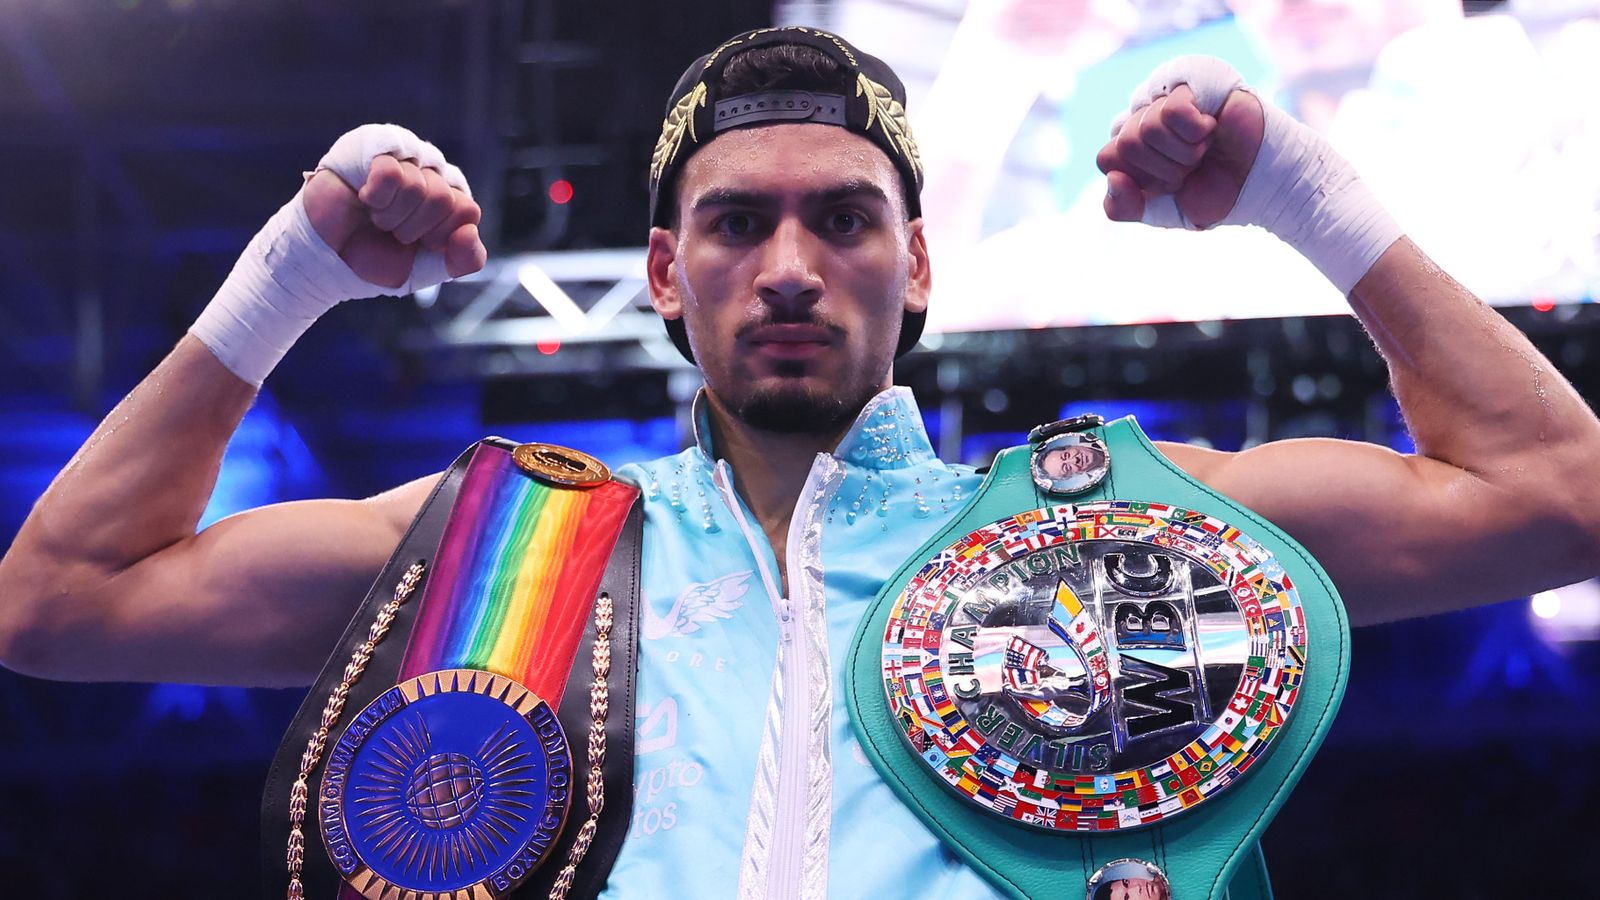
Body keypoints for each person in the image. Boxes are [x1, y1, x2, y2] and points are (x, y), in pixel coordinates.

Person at [1, 24, 1598, 899]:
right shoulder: (501, 549)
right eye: (734, 220)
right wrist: (295, 274)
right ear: (660, 269)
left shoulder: (1128, 525)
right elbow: (58, 602)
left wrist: (1302, 192)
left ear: (917, 268)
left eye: (840, 220)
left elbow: (1560, 497)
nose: (785, 265)